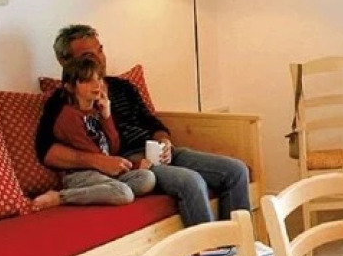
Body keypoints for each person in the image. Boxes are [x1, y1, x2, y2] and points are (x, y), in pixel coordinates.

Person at [35, 24, 252, 227]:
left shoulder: (123, 87)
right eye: (89, 56)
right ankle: (211, 251)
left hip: (157, 151)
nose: (99, 59)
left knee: (236, 171)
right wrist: (100, 161)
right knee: (191, 181)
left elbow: (152, 121)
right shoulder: (63, 101)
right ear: (66, 62)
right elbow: (46, 151)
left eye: (100, 50)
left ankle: (238, 247)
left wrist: (164, 141)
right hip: (130, 162)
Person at [36, 55, 156, 209]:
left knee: (147, 178)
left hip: (104, 173)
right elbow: (94, 154)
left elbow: (114, 147)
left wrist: (107, 116)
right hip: (81, 175)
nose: (97, 85)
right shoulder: (68, 116)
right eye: (87, 81)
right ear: (70, 87)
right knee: (124, 194)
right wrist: (132, 165)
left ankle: (105, 190)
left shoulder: (97, 111)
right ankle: (61, 197)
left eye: (98, 78)